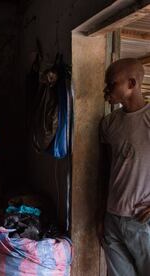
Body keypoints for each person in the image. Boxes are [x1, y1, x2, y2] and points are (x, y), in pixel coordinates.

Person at [99, 58, 150, 276]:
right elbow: (104, 169)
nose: (106, 89)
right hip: (112, 218)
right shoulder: (109, 123)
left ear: (131, 84)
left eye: (112, 84)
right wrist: (100, 214)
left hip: (142, 221)